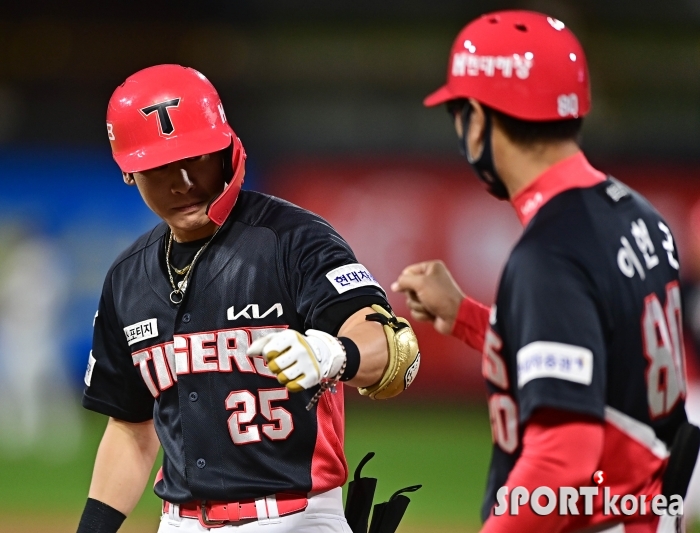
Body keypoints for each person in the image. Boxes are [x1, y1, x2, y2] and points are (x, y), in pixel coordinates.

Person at [76, 64, 420, 533]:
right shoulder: (127, 278)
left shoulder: (295, 240)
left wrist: (334, 352)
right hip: (179, 523)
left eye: (196, 157)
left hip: (296, 517)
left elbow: (393, 347)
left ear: (225, 150)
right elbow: (131, 429)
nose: (181, 180)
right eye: (159, 167)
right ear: (129, 174)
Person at [392, 10, 696, 533]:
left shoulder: (552, 252)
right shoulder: (639, 216)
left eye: (459, 113)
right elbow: (591, 364)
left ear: (480, 119)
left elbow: (560, 464)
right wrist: (465, 316)